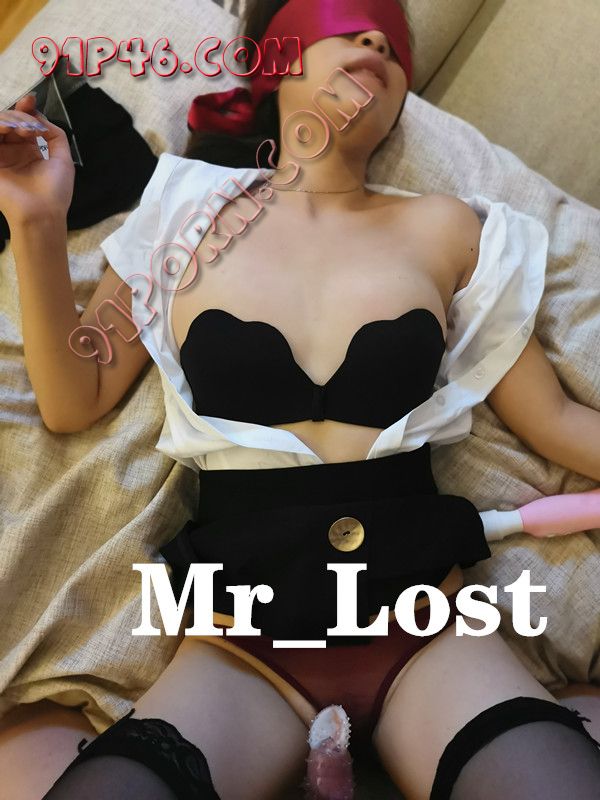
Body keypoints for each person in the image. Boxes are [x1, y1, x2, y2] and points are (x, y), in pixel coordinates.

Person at [1, 1, 599, 798]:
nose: (376, 43)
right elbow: (76, 398)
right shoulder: (186, 208)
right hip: (240, 644)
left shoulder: (448, 226)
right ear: (277, 67)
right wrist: (38, 220)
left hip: (428, 625)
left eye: (391, 47)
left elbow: (554, 422)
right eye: (347, 28)